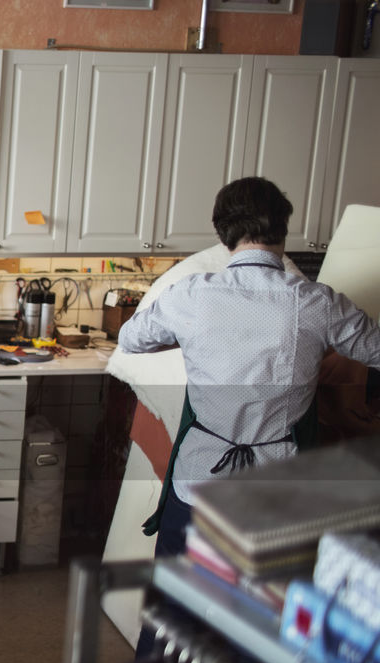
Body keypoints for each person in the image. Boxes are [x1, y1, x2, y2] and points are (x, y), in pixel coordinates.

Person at [119, 176, 380, 562]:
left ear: (224, 233)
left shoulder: (192, 296)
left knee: (173, 610)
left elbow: (131, 339)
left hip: (199, 479)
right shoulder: (316, 303)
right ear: (282, 229)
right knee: (256, 615)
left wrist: (186, 337)